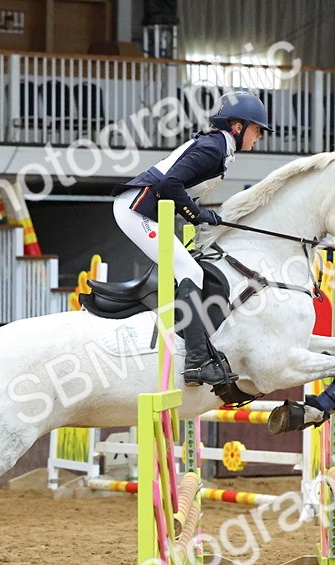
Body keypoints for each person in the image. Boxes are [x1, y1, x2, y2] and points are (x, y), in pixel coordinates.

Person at [112, 90, 271, 388]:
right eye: (257, 129)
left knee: (191, 267)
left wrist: (198, 214)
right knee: (190, 271)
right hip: (135, 209)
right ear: (237, 127)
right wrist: (197, 214)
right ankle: (197, 361)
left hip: (147, 209)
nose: (259, 136)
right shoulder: (213, 148)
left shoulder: (219, 148)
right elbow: (172, 183)